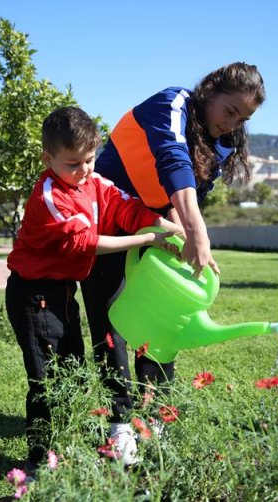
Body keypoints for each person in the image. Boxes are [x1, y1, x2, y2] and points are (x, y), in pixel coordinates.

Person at [80, 62, 266, 464]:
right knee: (111, 325)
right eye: (230, 111)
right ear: (210, 90)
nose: (232, 123)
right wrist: (197, 231)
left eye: (243, 118)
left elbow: (189, 195)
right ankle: (120, 425)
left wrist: (190, 241)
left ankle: (155, 420)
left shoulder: (222, 142)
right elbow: (172, 159)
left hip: (158, 227)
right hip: (109, 230)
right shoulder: (172, 103)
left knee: (163, 323)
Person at [5, 106, 183, 475]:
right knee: (47, 379)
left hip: (62, 293)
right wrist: (148, 238)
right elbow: (84, 243)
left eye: (89, 160)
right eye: (73, 163)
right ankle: (40, 462)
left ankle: (64, 451)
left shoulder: (96, 183)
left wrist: (169, 227)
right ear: (47, 158)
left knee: (71, 369)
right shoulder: (50, 196)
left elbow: (127, 209)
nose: (84, 170)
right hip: (34, 296)